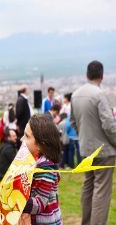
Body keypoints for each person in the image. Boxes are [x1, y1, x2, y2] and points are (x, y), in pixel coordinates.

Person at [70, 60, 116, 225]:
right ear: (101, 75)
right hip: (104, 151)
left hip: (85, 149)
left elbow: (73, 122)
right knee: (101, 192)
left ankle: (86, 222)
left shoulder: (75, 95)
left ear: (87, 74)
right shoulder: (99, 94)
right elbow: (109, 125)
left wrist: (84, 137)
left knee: (88, 187)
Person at [19, 114, 62, 225]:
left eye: (27, 136)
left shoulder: (45, 170)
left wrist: (16, 199)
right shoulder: (34, 160)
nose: (21, 139)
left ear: (40, 145)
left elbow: (39, 204)